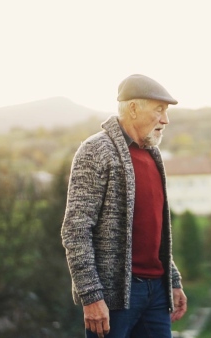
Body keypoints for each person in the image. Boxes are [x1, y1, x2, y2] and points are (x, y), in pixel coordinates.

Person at [61, 74, 187, 338]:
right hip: (114, 297)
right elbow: (75, 230)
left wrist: (173, 280)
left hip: (156, 293)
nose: (165, 120)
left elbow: (156, 231)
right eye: (159, 110)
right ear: (133, 108)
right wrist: (90, 296)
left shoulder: (153, 154)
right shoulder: (96, 150)